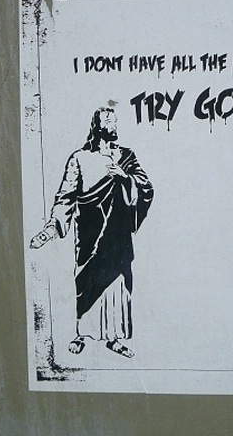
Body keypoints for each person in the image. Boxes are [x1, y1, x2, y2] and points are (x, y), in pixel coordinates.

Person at [30, 106, 154, 357]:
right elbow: (67, 195)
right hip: (90, 233)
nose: (113, 124)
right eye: (108, 120)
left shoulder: (126, 156)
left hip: (117, 236)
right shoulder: (79, 158)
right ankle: (81, 334)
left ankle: (114, 338)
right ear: (96, 126)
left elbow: (146, 188)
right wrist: (54, 225)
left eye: (115, 120)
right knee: (87, 281)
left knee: (117, 284)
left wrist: (124, 177)